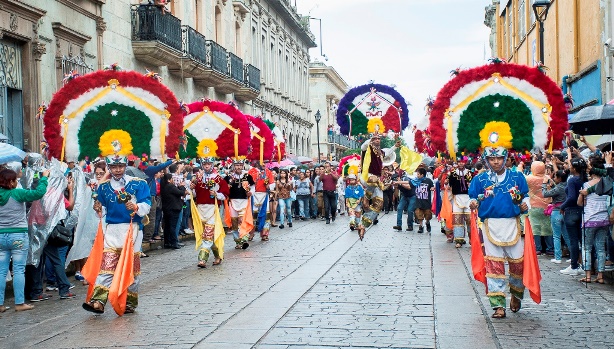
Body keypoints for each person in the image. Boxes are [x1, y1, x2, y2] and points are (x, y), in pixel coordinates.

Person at [83, 154, 151, 314]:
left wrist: (135, 207)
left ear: (125, 166)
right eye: (114, 167)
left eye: (120, 166)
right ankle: (98, 301)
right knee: (106, 267)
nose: (118, 170)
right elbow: (103, 210)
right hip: (112, 230)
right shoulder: (104, 187)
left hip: (132, 230)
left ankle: (129, 302)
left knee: (131, 269)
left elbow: (147, 204)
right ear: (109, 167)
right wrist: (99, 209)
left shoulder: (138, 184)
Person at [469, 145, 530, 319]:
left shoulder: (517, 176)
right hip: (490, 225)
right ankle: (498, 305)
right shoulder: (480, 179)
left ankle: (516, 295)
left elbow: (525, 196)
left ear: (506, 158)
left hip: (512, 224)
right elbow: (473, 196)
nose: (496, 162)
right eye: (491, 159)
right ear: (486, 160)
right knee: (494, 266)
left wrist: (526, 203)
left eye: (499, 158)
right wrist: (473, 203)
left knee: (517, 265)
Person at [0, 168, 49, 312]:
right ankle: (19, 303)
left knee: (1, 271)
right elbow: (38, 193)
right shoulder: (17, 193)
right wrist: (44, 178)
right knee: (19, 270)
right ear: (10, 181)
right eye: (14, 180)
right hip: (18, 237)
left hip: (1, 236)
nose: (16, 182)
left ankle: (0, 304)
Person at [577, 157, 609, 283]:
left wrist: (581, 193)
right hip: (604, 219)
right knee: (601, 247)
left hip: (590, 219)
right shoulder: (607, 183)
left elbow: (580, 203)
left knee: (587, 247)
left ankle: (588, 275)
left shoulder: (586, 185)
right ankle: (600, 276)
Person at [192, 157, 229, 268]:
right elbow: (194, 195)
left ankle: (202, 259)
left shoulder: (219, 179)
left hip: (213, 209)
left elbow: (225, 195)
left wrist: (217, 194)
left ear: (212, 165)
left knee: (208, 234)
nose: (207, 166)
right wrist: (192, 188)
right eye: (205, 164)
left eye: (208, 164)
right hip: (200, 210)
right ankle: (218, 255)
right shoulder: (198, 179)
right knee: (208, 235)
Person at [360, 132, 400, 231]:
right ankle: (365, 198)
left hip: (377, 180)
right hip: (367, 176)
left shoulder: (381, 152)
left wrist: (395, 146)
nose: (377, 140)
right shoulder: (367, 149)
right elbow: (363, 146)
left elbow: (389, 152)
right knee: (373, 179)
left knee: (379, 204)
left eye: (378, 139)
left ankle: (364, 223)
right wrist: (371, 139)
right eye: (375, 139)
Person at [559, 156, 588, 276]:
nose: (569, 167)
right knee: (582, 240)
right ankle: (584, 265)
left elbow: (571, 197)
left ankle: (574, 265)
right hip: (582, 211)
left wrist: (562, 206)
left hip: (571, 212)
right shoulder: (585, 179)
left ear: (575, 168)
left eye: (571, 166)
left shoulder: (572, 180)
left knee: (573, 240)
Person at [525, 161, 553, 255]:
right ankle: (550, 248)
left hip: (534, 206)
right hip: (547, 207)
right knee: (547, 227)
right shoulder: (547, 178)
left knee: (535, 227)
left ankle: (538, 248)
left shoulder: (529, 178)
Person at [225, 160, 254, 249]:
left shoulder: (247, 176)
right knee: (234, 223)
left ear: (243, 166)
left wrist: (251, 193)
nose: (239, 167)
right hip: (232, 202)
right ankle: (237, 241)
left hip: (244, 201)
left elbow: (253, 187)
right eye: (237, 165)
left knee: (242, 220)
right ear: (233, 166)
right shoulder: (228, 177)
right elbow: (223, 189)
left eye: (240, 165)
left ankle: (244, 239)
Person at [542, 169, 569, 264]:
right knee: (566, 235)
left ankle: (558, 257)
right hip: (565, 212)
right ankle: (573, 256)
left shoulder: (558, 188)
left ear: (559, 178)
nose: (554, 178)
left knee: (556, 236)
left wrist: (544, 185)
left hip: (557, 212)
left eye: (555, 177)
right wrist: (553, 185)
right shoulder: (567, 185)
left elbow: (545, 194)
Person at [248, 162, 275, 241]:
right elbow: (247, 183)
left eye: (265, 162)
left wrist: (268, 186)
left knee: (266, 216)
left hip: (264, 195)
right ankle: (251, 233)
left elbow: (272, 183)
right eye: (262, 162)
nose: (263, 164)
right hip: (254, 195)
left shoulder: (268, 172)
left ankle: (264, 234)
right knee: (253, 216)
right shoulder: (251, 171)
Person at [448, 159, 473, 248]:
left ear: (465, 162)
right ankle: (459, 240)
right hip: (457, 198)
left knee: (470, 220)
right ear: (457, 163)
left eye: (462, 162)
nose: (461, 163)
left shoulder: (470, 173)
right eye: (459, 162)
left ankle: (472, 239)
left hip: (468, 198)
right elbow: (448, 185)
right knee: (457, 220)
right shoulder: (452, 174)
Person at [161, 173, 187, 249]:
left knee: (168, 226)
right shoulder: (170, 186)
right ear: (169, 180)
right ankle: (174, 242)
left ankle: (167, 242)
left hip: (167, 208)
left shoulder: (164, 187)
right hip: (173, 208)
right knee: (172, 226)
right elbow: (181, 193)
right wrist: (182, 186)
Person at [413, 167, 434, 234]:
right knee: (419, 214)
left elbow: (432, 187)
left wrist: (432, 188)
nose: (417, 175)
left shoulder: (428, 181)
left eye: (418, 174)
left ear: (422, 175)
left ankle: (427, 222)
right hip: (418, 201)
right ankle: (421, 226)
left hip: (426, 202)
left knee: (428, 215)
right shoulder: (415, 181)